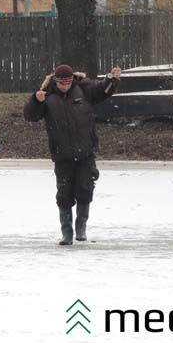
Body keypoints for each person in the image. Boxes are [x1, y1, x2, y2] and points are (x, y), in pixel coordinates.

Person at [24, 63, 121, 245]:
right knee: (64, 194)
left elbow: (102, 90)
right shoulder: (47, 96)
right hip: (62, 155)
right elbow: (30, 115)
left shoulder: (84, 89)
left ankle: (81, 226)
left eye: (68, 82)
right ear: (55, 81)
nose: (65, 85)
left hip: (85, 152)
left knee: (85, 190)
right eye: (62, 83)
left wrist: (112, 79)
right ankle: (66, 232)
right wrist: (35, 101)